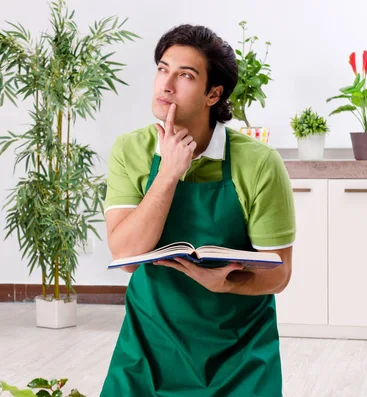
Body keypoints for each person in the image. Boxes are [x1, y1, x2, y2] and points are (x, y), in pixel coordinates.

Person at [100, 24, 296, 396]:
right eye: (162, 68)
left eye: (185, 75)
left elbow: (281, 274)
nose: (166, 84)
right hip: (149, 349)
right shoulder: (131, 150)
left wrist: (229, 282)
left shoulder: (258, 163)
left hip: (239, 356)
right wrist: (168, 174)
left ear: (213, 93)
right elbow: (125, 257)